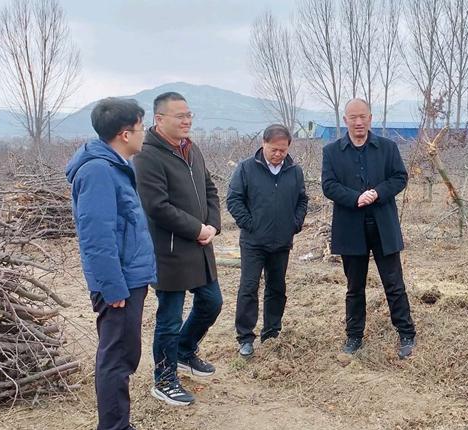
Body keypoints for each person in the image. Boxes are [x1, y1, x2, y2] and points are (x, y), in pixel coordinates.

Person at [65, 97, 155, 430]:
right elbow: (97, 237)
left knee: (124, 354)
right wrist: (112, 286)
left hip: (128, 277)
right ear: (124, 133)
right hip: (119, 283)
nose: (144, 134)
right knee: (116, 357)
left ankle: (118, 426)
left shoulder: (115, 166)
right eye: (141, 127)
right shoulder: (98, 171)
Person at [134, 92, 223, 406]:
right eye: (179, 116)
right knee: (169, 318)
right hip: (169, 250)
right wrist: (197, 228)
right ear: (159, 119)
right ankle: (164, 379)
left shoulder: (191, 149)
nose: (186, 121)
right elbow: (156, 206)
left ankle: (184, 351)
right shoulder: (147, 155)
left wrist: (212, 225)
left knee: (212, 303)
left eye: (189, 115)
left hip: (200, 247)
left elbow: (210, 189)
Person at [321, 98, 417, 358]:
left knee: (394, 283)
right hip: (351, 227)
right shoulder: (332, 152)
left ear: (370, 118)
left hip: (383, 225)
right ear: (345, 120)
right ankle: (354, 336)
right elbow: (328, 185)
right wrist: (355, 198)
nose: (358, 122)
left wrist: (377, 192)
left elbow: (400, 177)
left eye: (363, 116)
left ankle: (406, 333)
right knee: (354, 287)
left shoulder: (387, 148)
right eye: (353, 117)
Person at [227, 123, 309, 358]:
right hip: (253, 242)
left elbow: (302, 200)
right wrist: (250, 224)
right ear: (264, 144)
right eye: (274, 149)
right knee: (249, 287)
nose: (278, 154)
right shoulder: (246, 168)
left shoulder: (294, 171)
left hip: (281, 242)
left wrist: (295, 224)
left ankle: (272, 332)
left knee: (277, 288)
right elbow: (234, 199)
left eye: (283, 150)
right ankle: (245, 337)